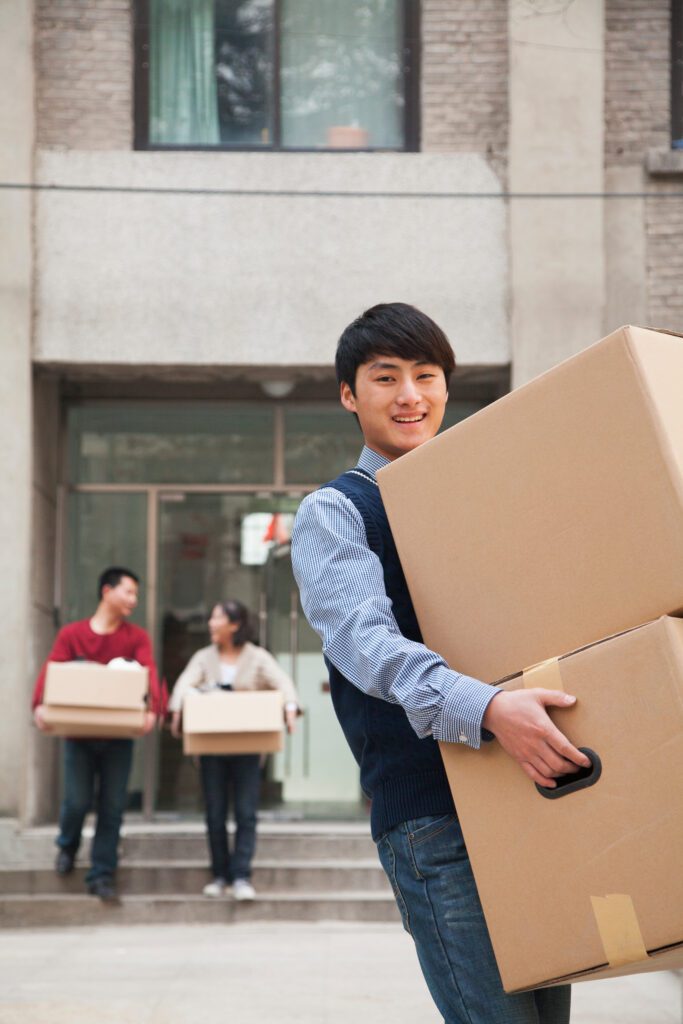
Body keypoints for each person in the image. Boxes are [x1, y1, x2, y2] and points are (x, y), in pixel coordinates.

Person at [290, 302, 591, 1024]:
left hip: (531, 798)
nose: (409, 395)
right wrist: (488, 710)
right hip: (435, 823)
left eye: (425, 375)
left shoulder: (486, 502)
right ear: (348, 393)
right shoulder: (336, 511)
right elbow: (370, 647)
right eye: (385, 377)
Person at [33, 566, 162, 903]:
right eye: (129, 592)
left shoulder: (136, 638)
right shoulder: (72, 635)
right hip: (78, 736)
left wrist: (152, 711)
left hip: (118, 738)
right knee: (76, 801)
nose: (133, 600)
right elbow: (52, 671)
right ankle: (68, 845)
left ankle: (102, 874)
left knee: (112, 806)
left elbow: (150, 676)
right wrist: (39, 706)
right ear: (107, 592)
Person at [169, 599, 299, 901]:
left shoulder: (257, 657)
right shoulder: (204, 657)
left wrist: (290, 707)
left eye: (217, 618)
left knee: (245, 813)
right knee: (214, 813)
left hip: (248, 749)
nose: (211, 623)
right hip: (212, 748)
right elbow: (183, 685)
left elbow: (283, 683)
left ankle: (241, 875)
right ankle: (219, 875)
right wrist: (177, 710)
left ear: (235, 624)